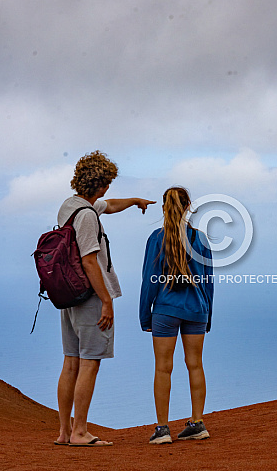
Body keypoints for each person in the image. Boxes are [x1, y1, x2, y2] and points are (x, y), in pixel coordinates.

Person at [54, 150, 155, 446]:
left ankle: (64, 432)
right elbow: (89, 260)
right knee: (89, 362)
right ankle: (80, 432)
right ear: (101, 183)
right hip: (90, 298)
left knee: (70, 362)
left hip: (69, 296)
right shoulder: (86, 217)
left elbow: (108, 206)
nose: (109, 188)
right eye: (108, 182)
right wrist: (107, 301)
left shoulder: (70, 207)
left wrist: (135, 200)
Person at [140, 186, 213, 444]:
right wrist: (208, 314)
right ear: (188, 206)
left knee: (163, 368)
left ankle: (162, 430)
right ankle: (198, 422)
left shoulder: (156, 238)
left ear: (164, 207)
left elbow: (149, 281)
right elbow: (208, 281)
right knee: (195, 364)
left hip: (165, 310)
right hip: (197, 310)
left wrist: (144, 316)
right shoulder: (201, 239)